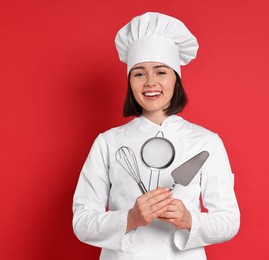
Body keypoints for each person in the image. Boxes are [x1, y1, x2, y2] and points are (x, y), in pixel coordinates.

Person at [72, 12, 240, 260]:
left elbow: (229, 221)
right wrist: (130, 218)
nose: (150, 82)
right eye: (139, 73)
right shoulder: (108, 142)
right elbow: (82, 221)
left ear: (176, 78)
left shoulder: (206, 142)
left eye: (161, 72)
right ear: (130, 82)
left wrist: (188, 220)